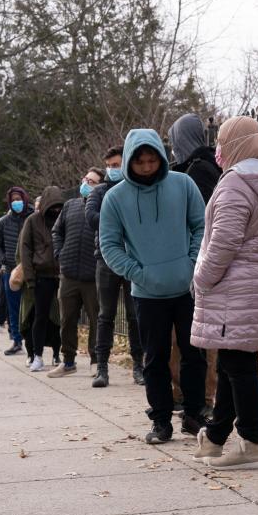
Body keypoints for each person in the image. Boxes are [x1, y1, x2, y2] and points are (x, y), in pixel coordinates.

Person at [99, 128, 207, 442]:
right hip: (147, 292)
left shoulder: (183, 184)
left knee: (194, 355)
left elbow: (201, 225)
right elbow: (110, 246)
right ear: (129, 162)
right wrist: (139, 273)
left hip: (186, 287)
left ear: (161, 157)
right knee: (155, 358)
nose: (147, 167)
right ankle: (160, 420)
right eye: (140, 161)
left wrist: (191, 263)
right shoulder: (115, 198)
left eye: (151, 160)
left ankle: (194, 413)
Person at [190, 116, 258, 470]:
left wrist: (202, 278)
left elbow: (224, 242)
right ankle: (216, 436)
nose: (217, 151)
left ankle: (252, 440)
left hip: (234, 286)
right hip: (256, 282)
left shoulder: (235, 184)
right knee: (234, 361)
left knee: (238, 365)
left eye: (222, 143)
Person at [168, 113, 223, 416]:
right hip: (187, 259)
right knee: (182, 334)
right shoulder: (186, 168)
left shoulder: (200, 170)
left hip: (199, 259)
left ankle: (205, 395)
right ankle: (183, 393)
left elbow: (200, 218)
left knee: (203, 334)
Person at [86, 145, 144, 388]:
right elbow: (92, 218)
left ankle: (139, 367)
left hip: (133, 257)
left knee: (134, 316)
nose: (113, 170)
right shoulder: (98, 192)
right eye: (109, 166)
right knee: (105, 315)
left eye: (117, 165)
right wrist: (119, 220)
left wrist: (111, 220)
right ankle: (102, 368)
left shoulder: (136, 189)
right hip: (106, 259)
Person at [48, 169, 103, 377]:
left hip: (93, 275)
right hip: (69, 273)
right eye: (85, 179)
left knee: (96, 321)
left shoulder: (103, 206)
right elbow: (56, 231)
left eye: (92, 181)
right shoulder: (70, 205)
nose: (86, 183)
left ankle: (96, 361)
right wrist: (59, 254)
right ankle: (68, 361)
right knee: (67, 320)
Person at [18, 186, 64, 372]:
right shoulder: (33, 221)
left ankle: (59, 353)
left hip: (61, 275)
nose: (55, 211)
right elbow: (25, 249)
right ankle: (37, 355)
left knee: (63, 318)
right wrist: (29, 277)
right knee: (40, 316)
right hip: (42, 276)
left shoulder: (63, 218)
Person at [0, 187, 33, 354]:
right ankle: (17, 340)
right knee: (13, 307)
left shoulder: (33, 217)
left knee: (33, 306)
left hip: (32, 268)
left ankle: (33, 339)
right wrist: (4, 259)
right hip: (11, 269)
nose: (16, 202)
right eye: (13, 200)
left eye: (19, 198)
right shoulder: (3, 222)